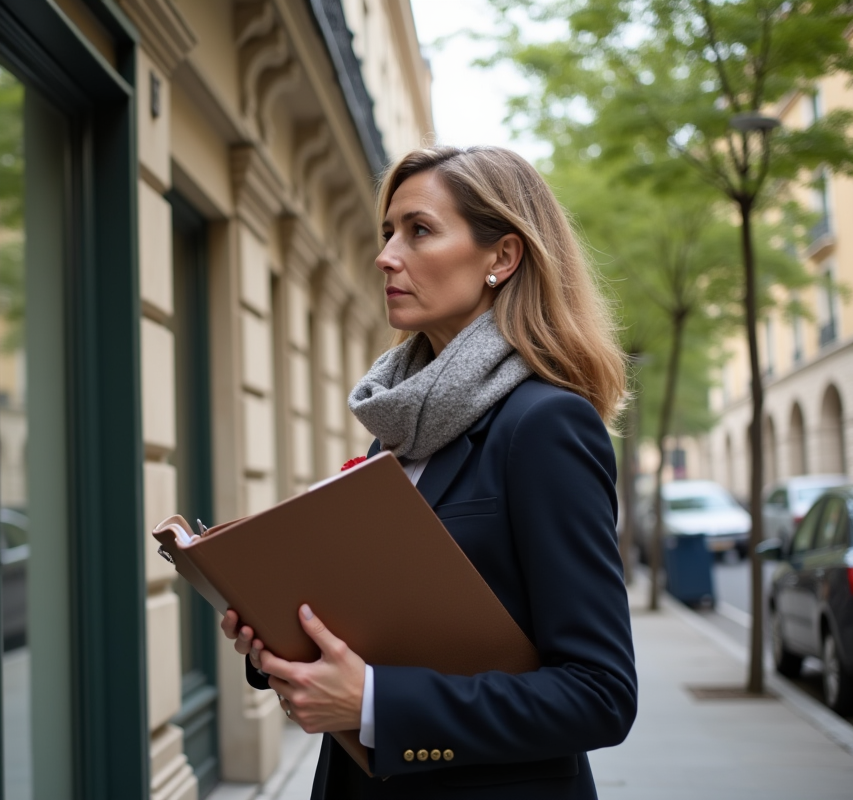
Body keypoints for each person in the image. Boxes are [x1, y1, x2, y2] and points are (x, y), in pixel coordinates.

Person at [220, 145, 636, 799]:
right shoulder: (402, 426)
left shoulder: (545, 425)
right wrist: (279, 634)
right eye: (388, 233)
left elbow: (600, 693)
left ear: (502, 257)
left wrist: (374, 704)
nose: (386, 256)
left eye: (419, 231)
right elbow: (387, 627)